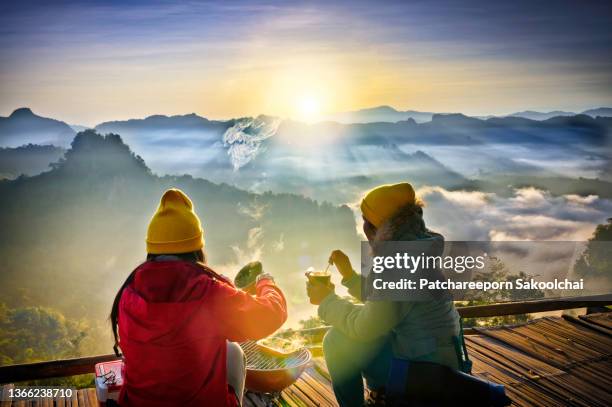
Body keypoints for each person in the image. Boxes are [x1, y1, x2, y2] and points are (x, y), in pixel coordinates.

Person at [110, 188, 287, 407]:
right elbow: (269, 316)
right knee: (233, 352)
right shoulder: (208, 293)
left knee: (228, 350)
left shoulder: (129, 292)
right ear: (196, 248)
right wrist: (266, 282)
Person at [306, 182, 461, 406]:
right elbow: (387, 303)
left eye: (365, 220)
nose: (363, 226)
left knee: (336, 341)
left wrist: (327, 301)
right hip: (441, 356)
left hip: (425, 373)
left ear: (377, 226)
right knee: (362, 327)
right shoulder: (417, 247)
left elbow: (363, 328)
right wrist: (349, 276)